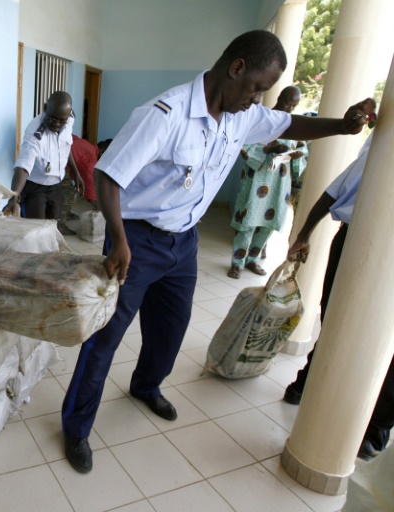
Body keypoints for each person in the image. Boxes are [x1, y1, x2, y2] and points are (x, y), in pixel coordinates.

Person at [60, 29, 376, 474]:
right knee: (106, 334)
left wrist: (342, 127)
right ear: (237, 67)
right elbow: (109, 177)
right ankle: (75, 427)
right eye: (256, 88)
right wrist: (120, 238)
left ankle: (146, 386)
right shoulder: (164, 114)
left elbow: (291, 125)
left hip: (184, 242)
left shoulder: (241, 115)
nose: (257, 99)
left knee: (171, 329)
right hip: (137, 239)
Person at [283, 132, 391, 461]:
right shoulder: (383, 149)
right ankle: (309, 384)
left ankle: (373, 427)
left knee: (347, 327)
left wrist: (304, 233)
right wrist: (302, 234)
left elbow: (333, 191)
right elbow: (336, 190)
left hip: (363, 245)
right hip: (357, 244)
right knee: (336, 321)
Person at [227, 85, 308, 279]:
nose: (289, 108)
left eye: (293, 106)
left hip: (279, 185)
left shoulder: (292, 125)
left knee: (267, 225)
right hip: (256, 182)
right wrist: (269, 150)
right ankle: (237, 263)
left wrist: (296, 155)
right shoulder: (261, 120)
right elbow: (244, 145)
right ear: (279, 97)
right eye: (287, 102)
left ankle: (252, 260)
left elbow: (302, 152)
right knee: (247, 223)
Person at [3, 92, 84, 222]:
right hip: (35, 187)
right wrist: (14, 196)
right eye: (52, 118)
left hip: (56, 185)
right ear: (45, 108)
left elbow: (65, 146)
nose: (57, 124)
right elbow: (23, 167)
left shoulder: (69, 119)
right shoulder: (35, 135)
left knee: (53, 226)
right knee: (35, 229)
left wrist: (76, 172)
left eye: (61, 120)